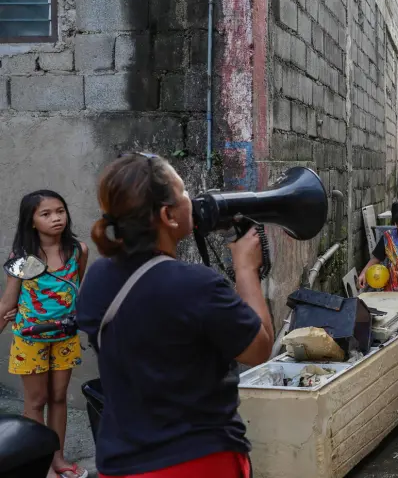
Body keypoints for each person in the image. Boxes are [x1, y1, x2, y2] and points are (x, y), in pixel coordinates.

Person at [76, 153, 272, 478]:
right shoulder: (197, 285)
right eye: (183, 191)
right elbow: (259, 348)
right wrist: (246, 270)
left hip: (122, 462)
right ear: (168, 214)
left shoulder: (97, 278)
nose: (190, 200)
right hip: (199, 462)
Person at [0, 190, 88, 478]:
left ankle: (58, 458)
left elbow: (77, 291)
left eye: (60, 211)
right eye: (46, 214)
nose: (56, 218)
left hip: (65, 338)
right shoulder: (22, 258)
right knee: (36, 402)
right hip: (30, 340)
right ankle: (40, 464)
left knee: (59, 397)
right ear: (32, 221)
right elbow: (7, 303)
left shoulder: (78, 251)